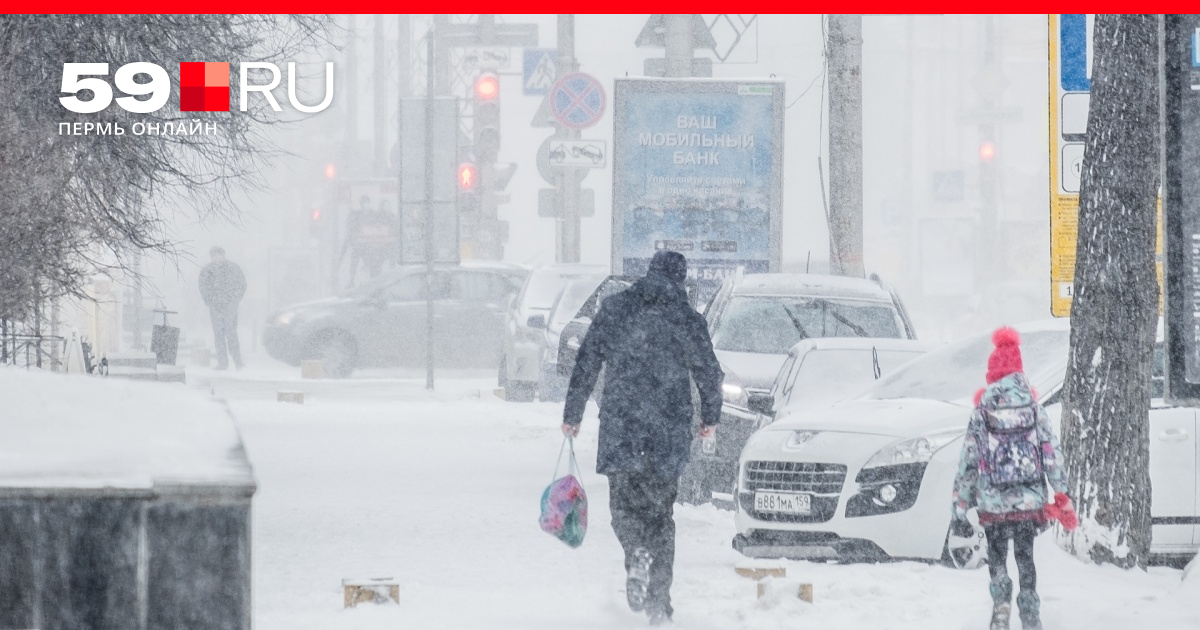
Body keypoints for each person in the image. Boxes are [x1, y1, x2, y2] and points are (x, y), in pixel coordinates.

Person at [561, 250, 724, 626]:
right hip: (667, 428)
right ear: (680, 280)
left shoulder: (617, 308)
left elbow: (586, 360)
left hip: (623, 425)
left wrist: (573, 414)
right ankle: (658, 607)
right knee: (661, 517)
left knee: (623, 509)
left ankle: (636, 553)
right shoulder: (686, 318)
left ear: (648, 273)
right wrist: (710, 418)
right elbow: (709, 373)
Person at [952, 327, 1078, 630]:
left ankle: (1001, 604)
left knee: (997, 554)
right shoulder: (1035, 410)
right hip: (1028, 500)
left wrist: (959, 506)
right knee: (1025, 555)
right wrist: (1061, 493)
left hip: (992, 501)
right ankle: (1030, 610)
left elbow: (968, 463)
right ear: (1020, 371)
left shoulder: (981, 412)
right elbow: (1052, 454)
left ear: (992, 372)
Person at [199, 246, 247, 370]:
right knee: (218, 335)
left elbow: (241, 285)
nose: (217, 257)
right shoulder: (207, 270)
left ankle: (237, 361)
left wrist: (234, 300)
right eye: (215, 255)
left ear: (224, 255)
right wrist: (209, 301)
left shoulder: (233, 268)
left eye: (219, 254)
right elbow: (203, 287)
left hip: (230, 307)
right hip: (215, 308)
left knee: (231, 333)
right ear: (211, 257)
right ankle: (223, 363)